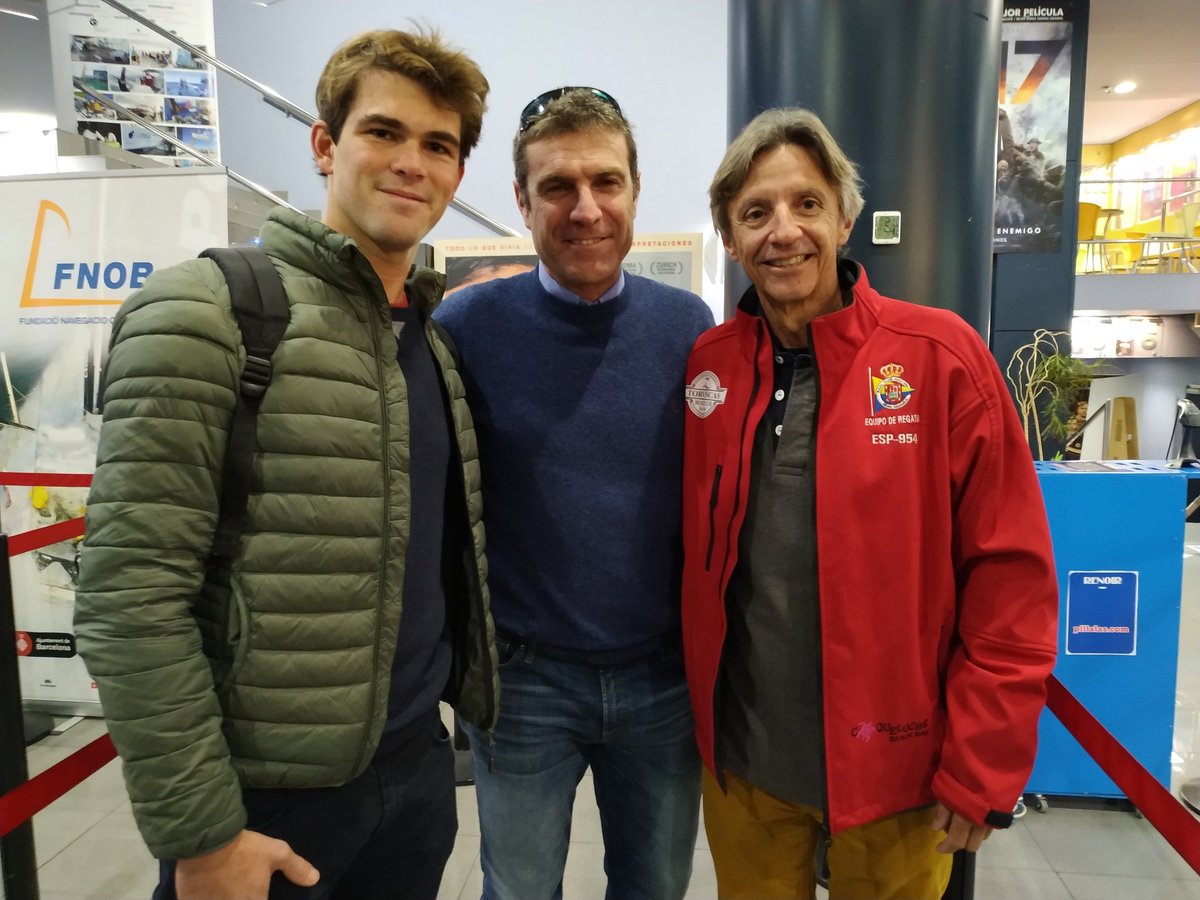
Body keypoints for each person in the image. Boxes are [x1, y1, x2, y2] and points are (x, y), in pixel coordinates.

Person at [74, 28, 498, 900]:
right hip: (262, 804)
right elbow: (130, 594)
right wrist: (202, 835)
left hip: (413, 780)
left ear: (458, 175)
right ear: (324, 143)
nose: (411, 162)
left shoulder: (434, 346)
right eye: (383, 131)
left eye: (438, 145)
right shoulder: (209, 311)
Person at [681, 107, 1059, 899]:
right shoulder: (708, 370)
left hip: (898, 774)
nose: (783, 231)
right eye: (756, 213)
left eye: (806, 204)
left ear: (845, 218)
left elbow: (1011, 579)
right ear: (729, 237)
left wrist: (983, 762)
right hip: (747, 770)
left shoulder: (940, 355)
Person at [434, 86, 714, 899]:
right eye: (558, 186)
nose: (586, 208)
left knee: (656, 887)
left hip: (663, 680)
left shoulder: (688, 327)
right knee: (518, 889)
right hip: (525, 682)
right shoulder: (466, 329)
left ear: (633, 191)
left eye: (606, 182)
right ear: (522, 201)